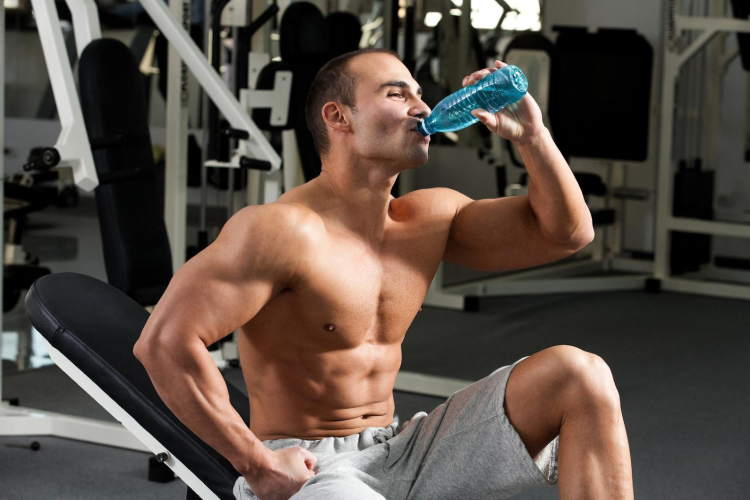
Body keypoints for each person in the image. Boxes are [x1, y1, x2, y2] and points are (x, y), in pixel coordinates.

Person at [134, 48, 634, 500]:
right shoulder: (281, 230)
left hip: (403, 446)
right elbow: (163, 343)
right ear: (339, 117)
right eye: (397, 94)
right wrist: (257, 463)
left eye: (419, 94)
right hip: (313, 469)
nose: (422, 107)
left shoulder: (428, 219)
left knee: (579, 376)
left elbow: (567, 233)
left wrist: (534, 137)